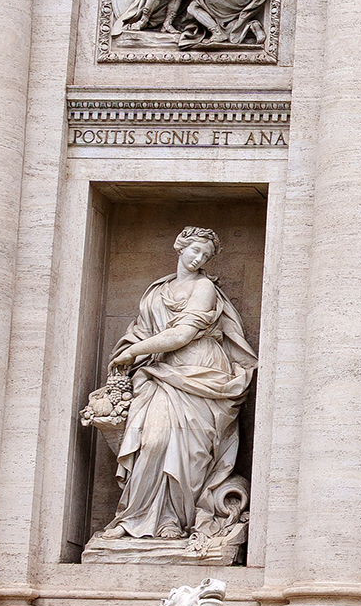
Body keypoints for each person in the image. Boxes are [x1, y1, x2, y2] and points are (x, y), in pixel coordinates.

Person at [89, 227, 257, 550]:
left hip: (201, 376)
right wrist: (129, 353)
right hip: (160, 374)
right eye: (195, 250)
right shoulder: (157, 293)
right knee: (152, 440)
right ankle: (132, 518)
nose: (198, 258)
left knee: (189, 450)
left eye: (206, 256)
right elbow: (141, 332)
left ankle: (172, 519)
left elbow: (181, 335)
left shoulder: (205, 287)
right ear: (180, 246)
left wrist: (132, 352)